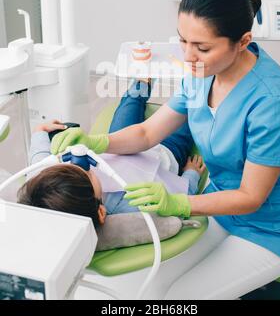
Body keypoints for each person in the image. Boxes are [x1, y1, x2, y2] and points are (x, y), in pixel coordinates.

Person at [51, 0, 280, 300]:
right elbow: (146, 132)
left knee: (178, 302)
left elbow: (252, 196)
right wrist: (96, 141)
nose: (188, 56)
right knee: (144, 287)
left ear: (242, 41)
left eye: (202, 47)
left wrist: (178, 203)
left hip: (273, 227)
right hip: (219, 207)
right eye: (183, 41)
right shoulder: (201, 74)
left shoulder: (273, 103)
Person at [18, 79, 206, 227]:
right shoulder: (128, 205)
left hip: (117, 143)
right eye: (88, 171)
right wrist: (192, 173)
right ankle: (201, 85)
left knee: (129, 103)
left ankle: (143, 79)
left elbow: (39, 153)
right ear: (101, 212)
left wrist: (41, 129)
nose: (79, 160)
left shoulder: (43, 181)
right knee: (193, 108)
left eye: (69, 164)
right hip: (164, 152)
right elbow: (178, 199)